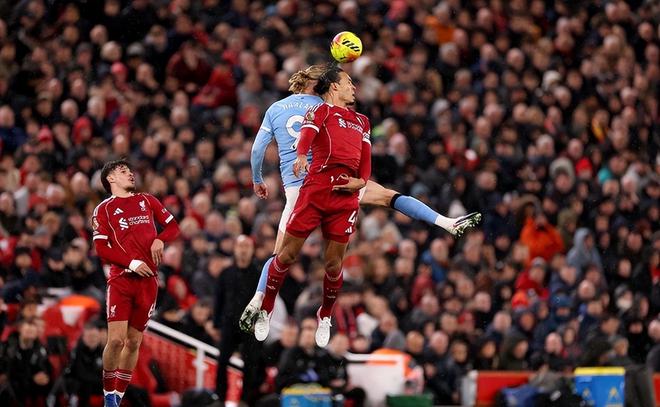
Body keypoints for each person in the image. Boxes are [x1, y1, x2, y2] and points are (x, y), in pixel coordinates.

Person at [240, 64, 481, 332]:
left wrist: (257, 179)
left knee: (281, 256)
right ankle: (446, 221)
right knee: (388, 197)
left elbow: (257, 150)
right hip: (331, 180)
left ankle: (259, 299)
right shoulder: (325, 106)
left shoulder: (276, 108)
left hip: (301, 188)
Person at [252, 65, 372, 348]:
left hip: (344, 197)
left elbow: (366, 159)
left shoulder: (363, 121)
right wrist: (302, 155)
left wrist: (362, 181)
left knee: (333, 265)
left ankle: (325, 314)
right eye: (348, 82)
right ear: (334, 86)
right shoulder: (319, 111)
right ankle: (266, 308)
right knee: (286, 256)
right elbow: (306, 136)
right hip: (315, 191)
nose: (354, 87)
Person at [92, 159, 180, 407]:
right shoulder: (103, 209)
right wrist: (131, 263)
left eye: (130, 170)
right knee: (116, 341)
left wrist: (160, 239)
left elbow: (173, 227)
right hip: (121, 280)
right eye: (123, 171)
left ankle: (117, 397)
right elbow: (101, 249)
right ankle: (108, 394)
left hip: (148, 282)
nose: (130, 174)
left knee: (134, 342)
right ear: (110, 178)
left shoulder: (147, 200)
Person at [213, 235, 263, 405]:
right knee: (222, 361)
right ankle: (220, 398)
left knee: (250, 363)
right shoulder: (226, 273)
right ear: (234, 249)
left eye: (247, 246)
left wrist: (259, 323)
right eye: (240, 246)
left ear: (252, 250)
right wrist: (216, 323)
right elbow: (218, 299)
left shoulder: (258, 275)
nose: (243, 250)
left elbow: (264, 301)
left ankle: (245, 400)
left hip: (250, 325)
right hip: (228, 323)